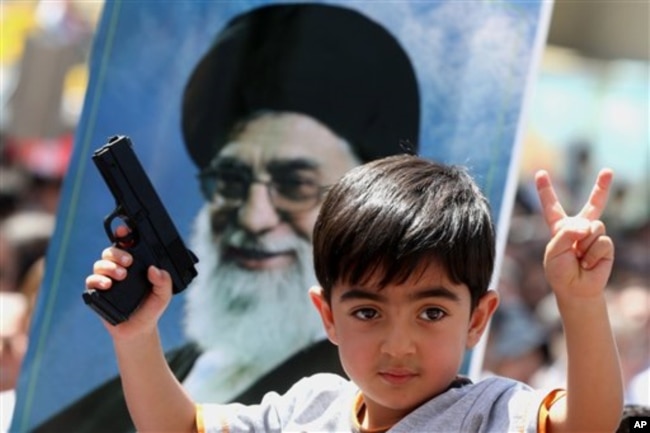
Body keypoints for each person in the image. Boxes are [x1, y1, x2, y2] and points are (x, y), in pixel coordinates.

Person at [32, 4, 420, 431]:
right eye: (232, 181)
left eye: (295, 186)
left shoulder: (371, 402)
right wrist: (137, 336)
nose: (253, 218)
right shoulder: (113, 400)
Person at [87, 154, 622, 432]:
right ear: (327, 314)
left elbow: (593, 426)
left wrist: (578, 301)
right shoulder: (308, 408)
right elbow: (180, 428)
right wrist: (136, 336)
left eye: (431, 311)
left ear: (478, 318)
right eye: (368, 310)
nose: (398, 344)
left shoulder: (492, 413)